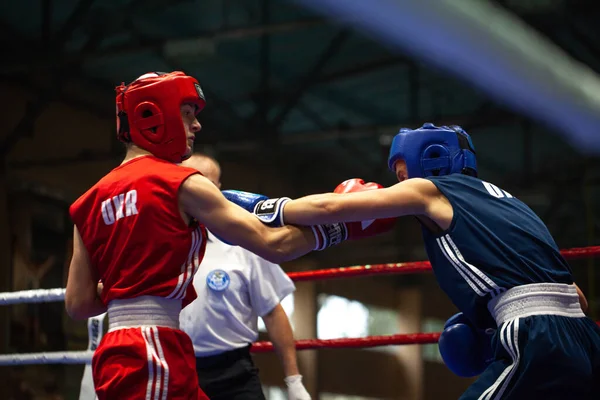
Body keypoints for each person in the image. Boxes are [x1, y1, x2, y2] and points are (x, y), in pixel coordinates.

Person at [64, 71, 392, 400]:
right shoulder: (178, 182)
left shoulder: (87, 202)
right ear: (154, 115)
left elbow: (78, 304)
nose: (197, 126)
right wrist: (342, 226)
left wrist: (129, 287)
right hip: (153, 352)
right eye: (188, 114)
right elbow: (274, 244)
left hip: (130, 350)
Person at [223, 122, 600, 399]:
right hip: (584, 338)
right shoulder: (512, 203)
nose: (397, 174)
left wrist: (270, 207)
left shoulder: (429, 189)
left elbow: (329, 206)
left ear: (431, 158)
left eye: (400, 164)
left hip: (535, 335)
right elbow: (578, 298)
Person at [179, 154, 311, 400]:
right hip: (176, 369)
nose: (194, 191)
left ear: (217, 190)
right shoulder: (162, 242)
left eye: (202, 182)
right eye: (187, 182)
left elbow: (272, 311)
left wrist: (293, 380)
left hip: (233, 372)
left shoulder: (245, 239)